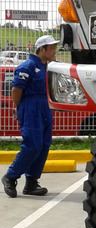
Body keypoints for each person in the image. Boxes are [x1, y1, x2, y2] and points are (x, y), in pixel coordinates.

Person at [1, 35, 59, 198]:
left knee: (44, 145)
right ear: (42, 50)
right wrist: (17, 107)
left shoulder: (50, 67)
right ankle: (10, 176)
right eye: (51, 48)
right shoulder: (28, 66)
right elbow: (16, 89)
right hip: (31, 107)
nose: (54, 51)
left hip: (45, 107)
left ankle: (32, 182)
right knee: (32, 145)